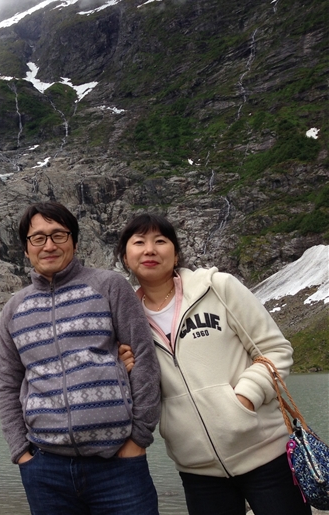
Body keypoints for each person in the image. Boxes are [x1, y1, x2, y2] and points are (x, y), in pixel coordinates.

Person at [115, 213, 311, 515]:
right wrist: (122, 369)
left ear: (176, 254)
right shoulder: (127, 320)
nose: (150, 250)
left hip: (266, 455)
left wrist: (245, 398)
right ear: (125, 258)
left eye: (160, 241)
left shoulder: (218, 288)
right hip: (197, 470)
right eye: (139, 242)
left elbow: (275, 350)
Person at [0, 201, 161, 515]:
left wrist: (138, 438)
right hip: (45, 471)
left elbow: (144, 359)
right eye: (38, 238)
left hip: (118, 465)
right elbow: (6, 383)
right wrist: (21, 453)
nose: (49, 245)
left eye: (59, 235)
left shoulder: (110, 286)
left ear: (74, 241)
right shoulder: (14, 309)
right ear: (26, 249)